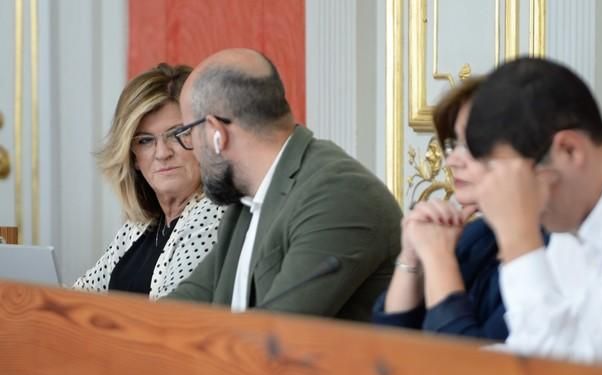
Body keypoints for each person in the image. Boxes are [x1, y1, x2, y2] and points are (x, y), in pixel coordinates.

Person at [465, 57, 602, 374]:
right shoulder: (575, 221)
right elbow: (531, 345)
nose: (521, 202)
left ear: (570, 150)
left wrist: (518, 237)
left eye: (518, 185)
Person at [164, 49, 402, 321]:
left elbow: (276, 336)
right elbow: (183, 306)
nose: (191, 149)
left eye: (187, 133)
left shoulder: (338, 194)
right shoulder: (244, 199)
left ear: (216, 132)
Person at [371, 77, 508, 340]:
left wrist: (437, 257)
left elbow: (468, 364)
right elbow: (390, 343)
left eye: (471, 145)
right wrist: (411, 257)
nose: (452, 161)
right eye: (454, 144)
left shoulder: (553, 248)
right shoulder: (477, 235)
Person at [74, 63, 226, 299]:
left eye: (178, 134)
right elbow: (83, 294)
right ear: (132, 156)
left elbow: (166, 317)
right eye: (145, 141)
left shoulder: (213, 214)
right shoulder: (140, 226)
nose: (162, 153)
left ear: (204, 138)